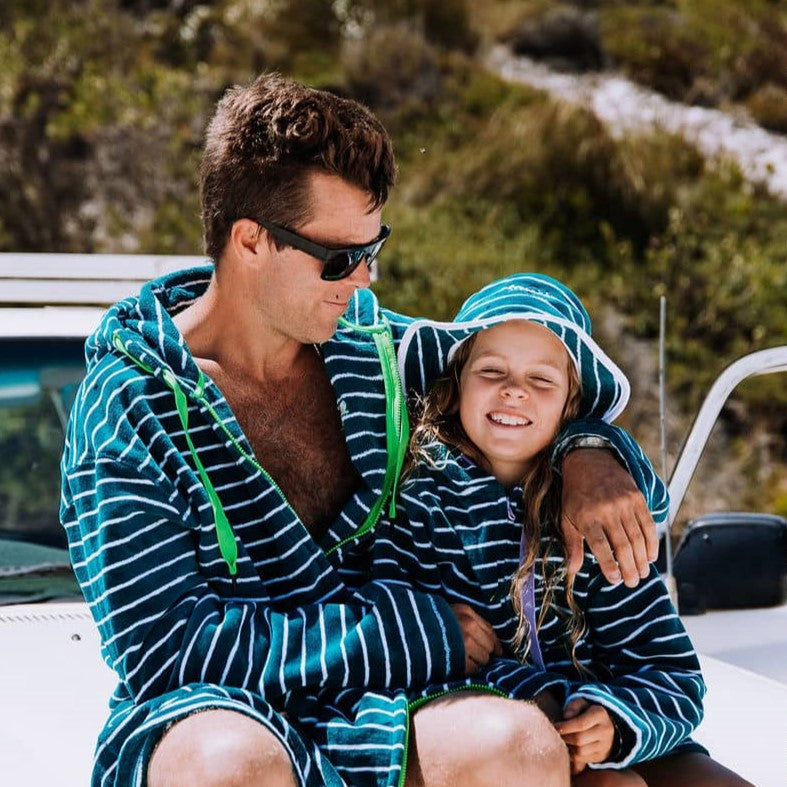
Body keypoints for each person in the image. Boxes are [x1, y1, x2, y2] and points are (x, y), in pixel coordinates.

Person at [61, 74, 665, 787]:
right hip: (213, 709)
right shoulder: (129, 404)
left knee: (517, 741)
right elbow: (164, 647)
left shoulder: (381, 354)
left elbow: (519, 386)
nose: (366, 279)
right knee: (230, 765)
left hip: (380, 709)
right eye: (341, 257)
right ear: (250, 241)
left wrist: (591, 452)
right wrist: (413, 634)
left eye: (373, 248)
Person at [365, 272, 752, 786]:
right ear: (454, 385)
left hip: (614, 726)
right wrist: (448, 635)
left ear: (571, 406)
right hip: (493, 732)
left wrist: (615, 721)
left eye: (541, 380)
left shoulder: (595, 519)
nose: (513, 391)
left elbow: (672, 673)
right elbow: (391, 620)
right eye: (491, 370)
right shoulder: (420, 500)